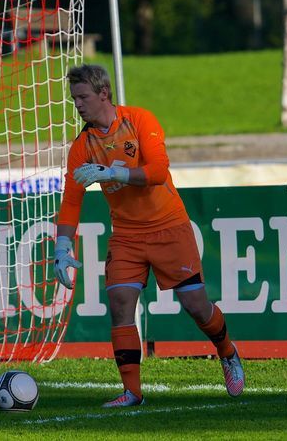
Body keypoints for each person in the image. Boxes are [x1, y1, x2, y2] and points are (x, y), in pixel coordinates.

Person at [53, 64, 245, 408]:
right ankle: (133, 392)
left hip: (168, 227)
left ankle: (227, 351)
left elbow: (158, 171)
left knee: (196, 306)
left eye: (83, 97)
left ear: (104, 94)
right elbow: (71, 200)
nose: (78, 104)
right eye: (74, 99)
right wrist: (62, 246)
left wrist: (113, 173)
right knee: (120, 303)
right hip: (126, 236)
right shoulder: (82, 146)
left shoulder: (140, 120)